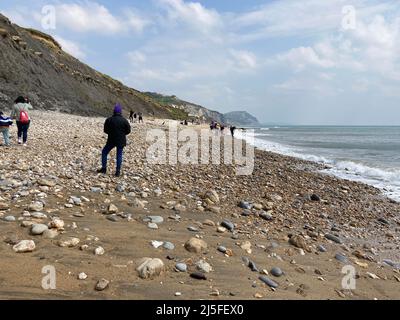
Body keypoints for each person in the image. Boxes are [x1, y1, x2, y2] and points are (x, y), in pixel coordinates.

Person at [97, 104, 131, 177]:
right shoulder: (124, 120)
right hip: (121, 140)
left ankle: (104, 169)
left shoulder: (109, 119)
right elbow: (128, 131)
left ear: (114, 111)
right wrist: (122, 134)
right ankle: (117, 172)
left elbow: (105, 130)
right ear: (120, 112)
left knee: (104, 152)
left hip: (111, 140)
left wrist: (112, 133)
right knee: (119, 155)